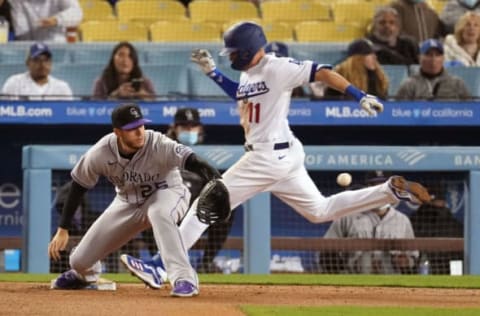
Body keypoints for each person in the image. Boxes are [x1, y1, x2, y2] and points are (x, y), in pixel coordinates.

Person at [120, 22, 431, 288]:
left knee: (206, 202)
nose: (229, 56)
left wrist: (357, 94)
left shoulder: (277, 67)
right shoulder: (248, 73)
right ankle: (388, 191)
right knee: (320, 211)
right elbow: (243, 94)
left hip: (266, 157)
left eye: (232, 52)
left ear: (246, 50)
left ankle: (161, 266)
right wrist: (213, 73)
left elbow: (321, 72)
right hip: (283, 156)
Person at [47, 103, 225, 297]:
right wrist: (62, 229)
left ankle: (184, 279)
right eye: (131, 128)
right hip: (127, 202)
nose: (139, 132)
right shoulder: (101, 152)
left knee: (160, 213)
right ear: (117, 132)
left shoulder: (159, 143)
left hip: (168, 193)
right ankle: (86, 275)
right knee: (78, 261)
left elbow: (195, 162)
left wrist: (219, 183)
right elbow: (78, 186)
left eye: (141, 125)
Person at [142, 107, 236, 273]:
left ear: (200, 129)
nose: (189, 130)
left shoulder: (210, 154)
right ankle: (161, 262)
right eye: (184, 127)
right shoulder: (163, 147)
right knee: (149, 208)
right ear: (175, 128)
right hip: (168, 206)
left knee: (227, 207)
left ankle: (205, 264)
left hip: (196, 210)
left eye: (193, 126)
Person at [321, 172, 419, 274]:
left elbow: (413, 257)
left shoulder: (402, 220)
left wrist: (406, 261)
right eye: (375, 187)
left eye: (384, 186)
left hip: (391, 282)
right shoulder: (347, 217)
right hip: (353, 281)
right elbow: (327, 252)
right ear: (367, 189)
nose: (380, 192)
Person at [396, 38, 471, 100]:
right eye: (428, 54)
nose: (433, 59)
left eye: (437, 55)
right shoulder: (409, 85)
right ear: (419, 58)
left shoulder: (457, 84)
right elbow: (397, 111)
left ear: (443, 58)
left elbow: (472, 111)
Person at [319, 38, 389, 100]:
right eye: (369, 54)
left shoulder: (378, 79)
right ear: (357, 59)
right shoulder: (339, 77)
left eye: (374, 53)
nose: (375, 57)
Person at [1, 42, 73, 100]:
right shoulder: (14, 83)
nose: (42, 64)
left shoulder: (62, 87)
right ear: (28, 62)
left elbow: (70, 115)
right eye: (37, 60)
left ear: (51, 63)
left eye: (46, 60)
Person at [9, 0, 83, 42]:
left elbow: (77, 13)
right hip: (29, 51)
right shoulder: (16, 2)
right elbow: (21, 32)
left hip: (57, 47)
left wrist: (56, 20)